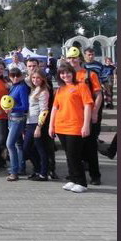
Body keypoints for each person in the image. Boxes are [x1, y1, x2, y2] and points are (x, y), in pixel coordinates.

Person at [49, 63, 94, 193]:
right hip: (61, 126)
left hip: (75, 126)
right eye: (62, 73)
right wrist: (51, 125)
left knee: (75, 155)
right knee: (69, 155)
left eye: (68, 72)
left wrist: (86, 124)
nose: (65, 75)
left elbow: (88, 106)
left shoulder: (81, 86)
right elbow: (54, 108)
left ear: (72, 73)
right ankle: (73, 179)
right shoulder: (60, 89)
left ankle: (81, 182)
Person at [67, 47, 103, 185]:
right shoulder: (67, 75)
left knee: (90, 146)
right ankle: (76, 174)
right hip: (74, 116)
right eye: (70, 58)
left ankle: (95, 175)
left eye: (74, 57)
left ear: (80, 58)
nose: (72, 60)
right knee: (75, 148)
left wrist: (94, 112)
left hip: (88, 114)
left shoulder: (89, 74)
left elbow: (98, 95)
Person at [23, 69, 50, 181]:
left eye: (38, 77)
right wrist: (31, 73)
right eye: (33, 78)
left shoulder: (43, 92)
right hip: (30, 122)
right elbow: (26, 80)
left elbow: (44, 110)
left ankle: (43, 173)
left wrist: (39, 127)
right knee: (29, 149)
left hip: (37, 123)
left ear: (43, 79)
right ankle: (38, 169)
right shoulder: (34, 89)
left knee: (40, 149)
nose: (35, 80)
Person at [4, 67, 30, 181]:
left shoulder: (22, 87)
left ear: (21, 76)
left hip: (18, 119)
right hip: (13, 118)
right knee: (18, 144)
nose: (15, 77)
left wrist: (12, 109)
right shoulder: (14, 86)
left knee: (10, 144)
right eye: (12, 76)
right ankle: (20, 167)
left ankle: (14, 172)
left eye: (17, 75)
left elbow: (25, 106)